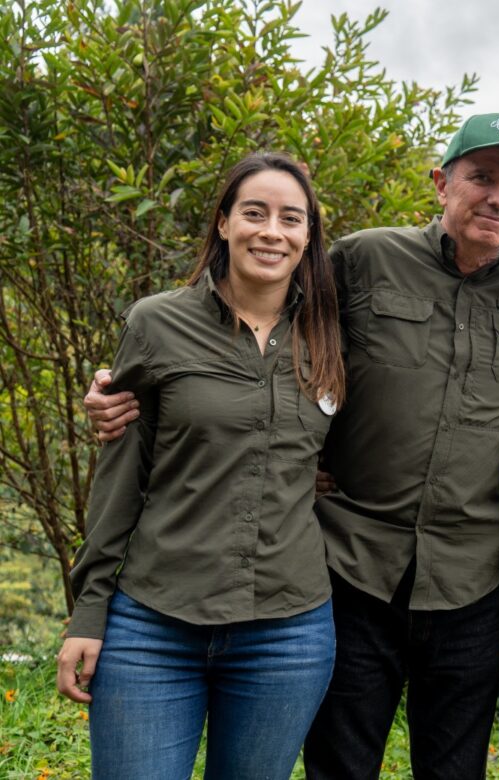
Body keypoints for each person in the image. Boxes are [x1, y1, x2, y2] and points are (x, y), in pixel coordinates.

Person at [83, 113, 499, 778]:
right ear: (440, 183)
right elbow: (264, 323)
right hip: (353, 567)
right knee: (340, 765)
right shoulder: (364, 260)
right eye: (482, 177)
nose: (498, 198)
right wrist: (123, 392)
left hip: (470, 579)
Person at [57, 152, 345, 778]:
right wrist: (89, 609)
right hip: (154, 625)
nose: (272, 232)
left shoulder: (333, 335)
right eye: (254, 213)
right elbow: (120, 476)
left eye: (291, 218)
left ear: (308, 236)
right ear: (223, 223)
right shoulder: (156, 323)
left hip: (288, 634)